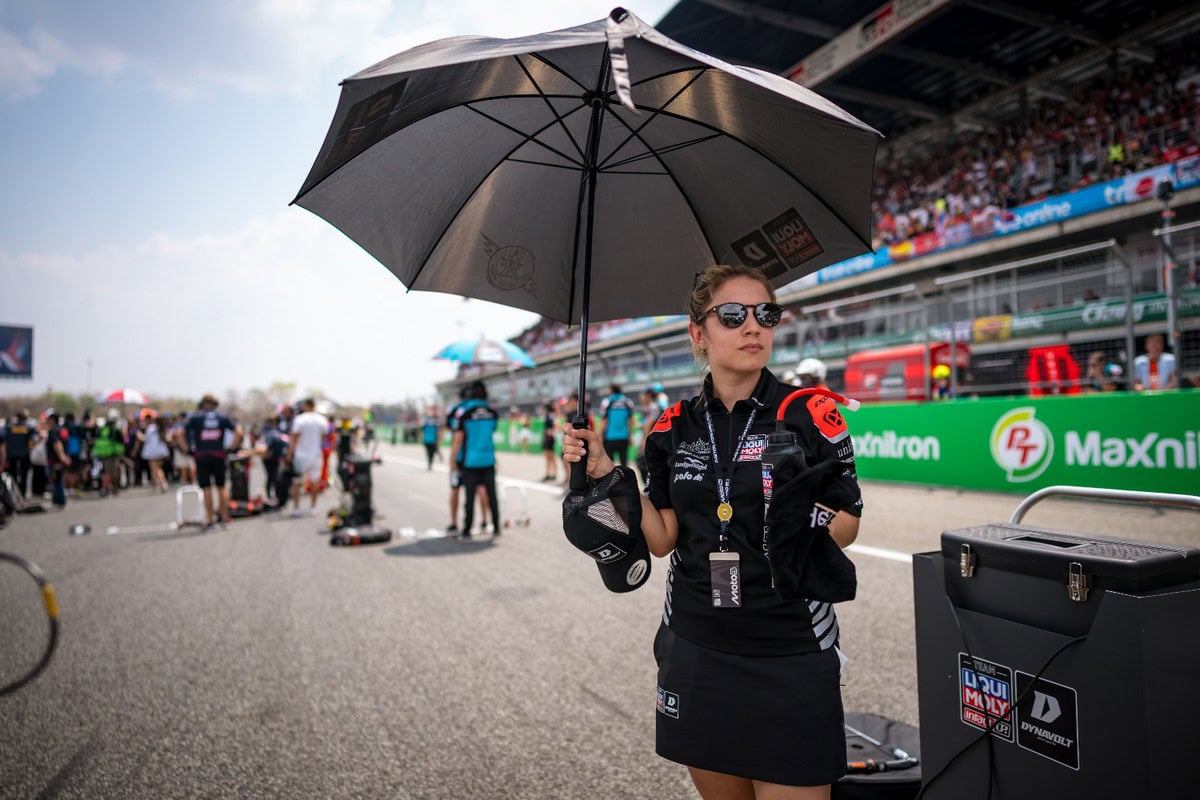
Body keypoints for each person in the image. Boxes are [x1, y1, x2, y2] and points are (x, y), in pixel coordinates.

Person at [564, 264, 863, 799]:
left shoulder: (812, 413)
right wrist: (606, 472)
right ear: (698, 333)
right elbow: (661, 538)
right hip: (697, 648)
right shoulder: (669, 426)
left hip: (790, 649)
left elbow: (849, 524)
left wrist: (797, 518)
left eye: (765, 314)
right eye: (733, 315)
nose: (753, 327)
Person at [184, 394, 243, 531]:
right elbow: (239, 432)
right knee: (221, 487)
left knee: (206, 488)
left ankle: (211, 520)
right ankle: (224, 518)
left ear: (203, 403)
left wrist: (187, 450)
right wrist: (231, 448)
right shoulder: (222, 417)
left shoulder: (196, 417)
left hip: (201, 456)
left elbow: (180, 433)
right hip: (219, 455)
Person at [450, 380, 500, 539]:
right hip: (488, 460)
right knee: (492, 495)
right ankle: (496, 527)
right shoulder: (492, 412)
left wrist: (452, 460)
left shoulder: (464, 412)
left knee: (469, 497)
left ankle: (466, 530)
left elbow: (458, 438)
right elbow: (492, 430)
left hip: (470, 461)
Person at [285, 398, 329, 517]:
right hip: (316, 455)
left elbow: (294, 439)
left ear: (305, 406)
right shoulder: (322, 419)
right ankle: (313, 507)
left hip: (301, 456)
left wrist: (289, 456)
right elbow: (324, 438)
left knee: (297, 482)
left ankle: (296, 508)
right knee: (315, 482)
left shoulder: (300, 419)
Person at [598, 383, 636, 467]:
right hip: (623, 437)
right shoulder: (628, 402)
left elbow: (604, 420)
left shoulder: (606, 401)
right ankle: (625, 479)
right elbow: (630, 421)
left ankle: (612, 480)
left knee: (609, 464)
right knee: (624, 463)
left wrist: (600, 436)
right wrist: (630, 436)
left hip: (609, 437)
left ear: (611, 390)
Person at [136, 409, 171, 493]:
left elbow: (146, 439)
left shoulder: (151, 429)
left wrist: (140, 436)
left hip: (152, 452)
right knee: (158, 469)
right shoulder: (159, 428)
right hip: (161, 451)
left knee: (154, 470)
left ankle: (156, 486)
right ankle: (163, 483)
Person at [43, 410, 71, 509]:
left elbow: (57, 444)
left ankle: (60, 502)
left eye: (48, 419)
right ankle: (58, 501)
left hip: (55, 460)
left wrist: (61, 456)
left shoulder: (53, 430)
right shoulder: (62, 429)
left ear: (52, 420)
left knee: (56, 481)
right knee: (58, 480)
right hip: (60, 460)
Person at [3, 409, 34, 497]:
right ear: (25, 418)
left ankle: (13, 493)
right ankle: (22, 493)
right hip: (24, 454)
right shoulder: (28, 428)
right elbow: (32, 440)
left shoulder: (9, 427)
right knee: (24, 475)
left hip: (12, 454)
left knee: (13, 475)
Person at [540, 402, 558, 482]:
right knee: (548, 457)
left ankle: (553, 474)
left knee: (551, 456)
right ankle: (548, 473)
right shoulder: (549, 415)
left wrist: (551, 431)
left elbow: (555, 424)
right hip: (547, 437)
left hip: (549, 438)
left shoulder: (551, 415)